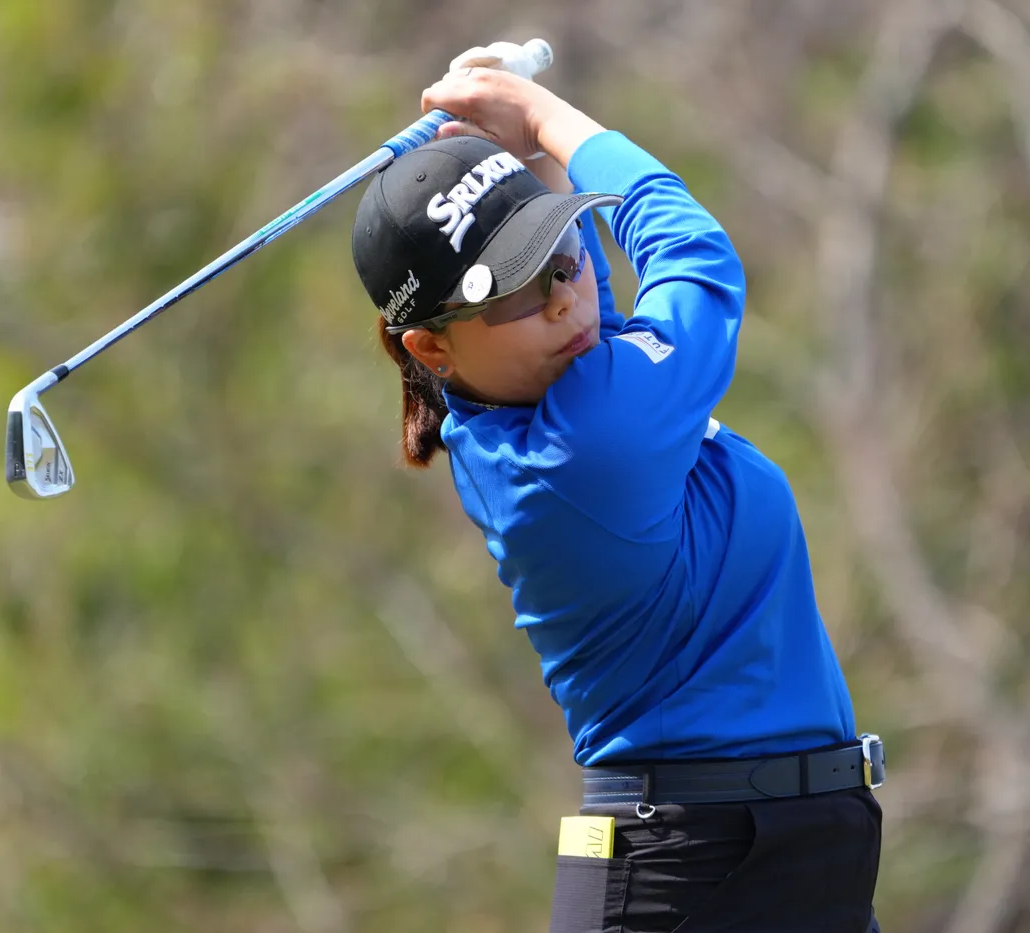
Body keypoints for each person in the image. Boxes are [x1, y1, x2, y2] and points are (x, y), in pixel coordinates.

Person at [350, 65, 885, 933]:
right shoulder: (583, 447)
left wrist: (521, 160)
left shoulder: (544, 381)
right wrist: (541, 115)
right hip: (694, 871)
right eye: (514, 290)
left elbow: (579, 288)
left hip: (779, 857)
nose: (564, 299)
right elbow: (696, 257)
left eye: (563, 256)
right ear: (432, 349)